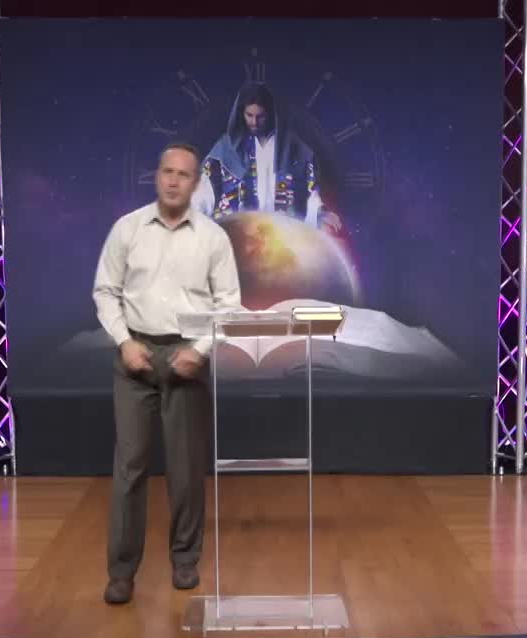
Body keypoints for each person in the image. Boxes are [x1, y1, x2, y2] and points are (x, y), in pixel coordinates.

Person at [92, 141, 242, 604]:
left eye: (184, 174)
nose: (174, 181)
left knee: (185, 470)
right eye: (167, 172)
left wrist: (199, 351)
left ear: (196, 183)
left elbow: (229, 306)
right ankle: (121, 572)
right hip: (135, 356)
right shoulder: (127, 229)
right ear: (156, 176)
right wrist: (124, 342)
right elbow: (105, 292)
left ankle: (184, 560)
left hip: (187, 360)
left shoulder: (212, 237)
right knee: (130, 469)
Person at [193, 83, 342, 233]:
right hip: (236, 235)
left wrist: (320, 213)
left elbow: (309, 192)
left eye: (260, 116)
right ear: (241, 113)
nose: (254, 122)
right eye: (249, 115)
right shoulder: (227, 147)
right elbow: (206, 189)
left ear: (270, 114)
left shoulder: (293, 148)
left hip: (280, 239)